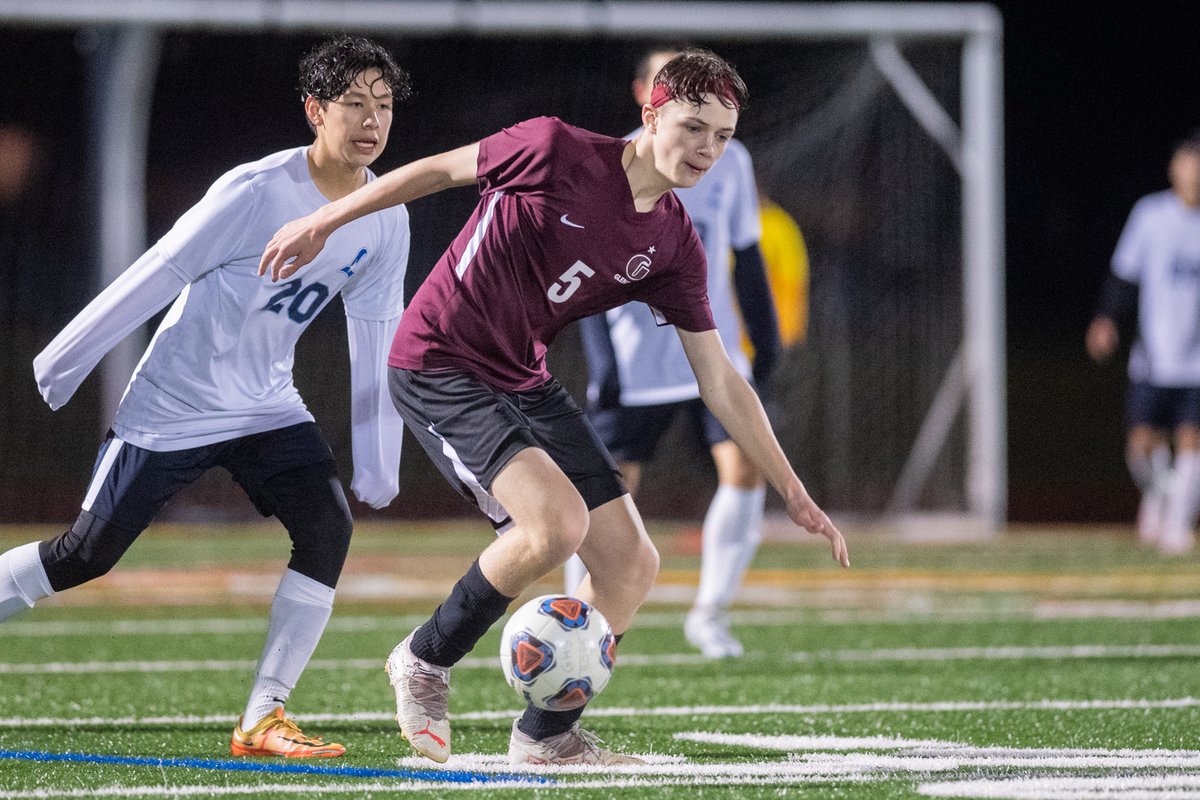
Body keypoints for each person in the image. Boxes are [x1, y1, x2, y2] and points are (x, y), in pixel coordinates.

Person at [259, 48, 849, 767]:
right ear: (651, 113)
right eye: (693, 127)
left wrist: (792, 489)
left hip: (521, 376)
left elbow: (720, 377)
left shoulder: (672, 241)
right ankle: (424, 657)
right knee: (555, 526)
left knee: (632, 562)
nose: (707, 150)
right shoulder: (555, 149)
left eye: (723, 137)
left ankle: (548, 735)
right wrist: (327, 221)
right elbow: (436, 171)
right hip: (440, 358)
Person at [0, 36, 412, 757]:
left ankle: (262, 717)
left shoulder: (387, 215)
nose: (372, 120)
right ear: (315, 111)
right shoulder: (255, 191)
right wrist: (63, 361)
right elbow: (161, 270)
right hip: (176, 405)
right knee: (84, 555)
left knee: (327, 527)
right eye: (354, 104)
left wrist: (380, 461)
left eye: (383, 105)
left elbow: (377, 332)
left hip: (267, 404)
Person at [564, 46, 783, 660]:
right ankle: (577, 620)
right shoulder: (612, 165)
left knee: (745, 469)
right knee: (605, 495)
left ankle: (710, 614)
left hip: (711, 356)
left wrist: (765, 348)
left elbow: (746, 256)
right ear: (648, 98)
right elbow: (583, 273)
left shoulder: (727, 162)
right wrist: (603, 364)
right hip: (636, 366)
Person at [1086, 130, 1200, 555]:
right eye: (1189, 165)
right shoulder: (1150, 216)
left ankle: (1176, 525)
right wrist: (1106, 320)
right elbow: (1125, 275)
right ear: (1175, 168)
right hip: (1154, 357)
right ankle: (1158, 496)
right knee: (1142, 447)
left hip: (1196, 362)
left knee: (1192, 442)